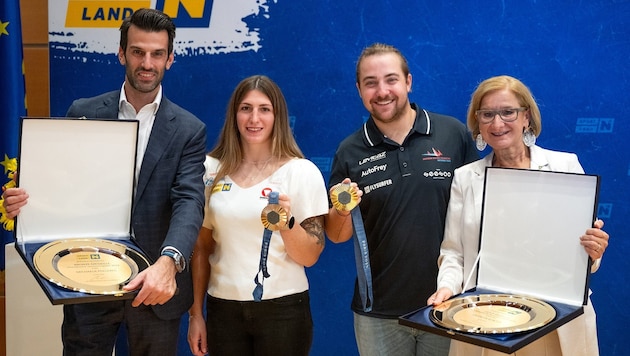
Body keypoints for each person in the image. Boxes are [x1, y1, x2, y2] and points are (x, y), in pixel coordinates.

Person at [2, 8, 206, 355]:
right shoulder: (83, 111)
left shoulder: (189, 130)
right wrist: (25, 203)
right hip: (86, 279)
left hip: (154, 285)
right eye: (138, 51)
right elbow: (60, 189)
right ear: (122, 53)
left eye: (157, 54)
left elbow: (189, 201)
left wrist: (168, 262)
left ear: (170, 59)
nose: (147, 62)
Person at [429, 75, 609, 356]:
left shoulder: (565, 166)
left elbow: (584, 255)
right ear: (478, 124)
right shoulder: (466, 178)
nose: (497, 123)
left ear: (526, 117)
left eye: (508, 112)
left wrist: (594, 250)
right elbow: (453, 253)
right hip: (486, 324)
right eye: (487, 114)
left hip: (556, 321)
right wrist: (446, 289)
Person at [325, 43, 479, 356]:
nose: (382, 91)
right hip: (379, 314)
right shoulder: (350, 151)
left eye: (391, 79)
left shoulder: (452, 133)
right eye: (371, 82)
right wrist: (342, 210)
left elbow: (482, 209)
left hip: (449, 303)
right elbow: (337, 235)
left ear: (408, 82)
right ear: (359, 90)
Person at [186, 75, 329, 356]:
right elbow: (201, 248)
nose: (254, 118)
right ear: (234, 114)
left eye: (264, 109)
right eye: (246, 108)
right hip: (222, 310)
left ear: (278, 116)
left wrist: (286, 224)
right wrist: (196, 314)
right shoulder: (209, 170)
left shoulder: (301, 171)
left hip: (284, 312)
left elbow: (310, 256)